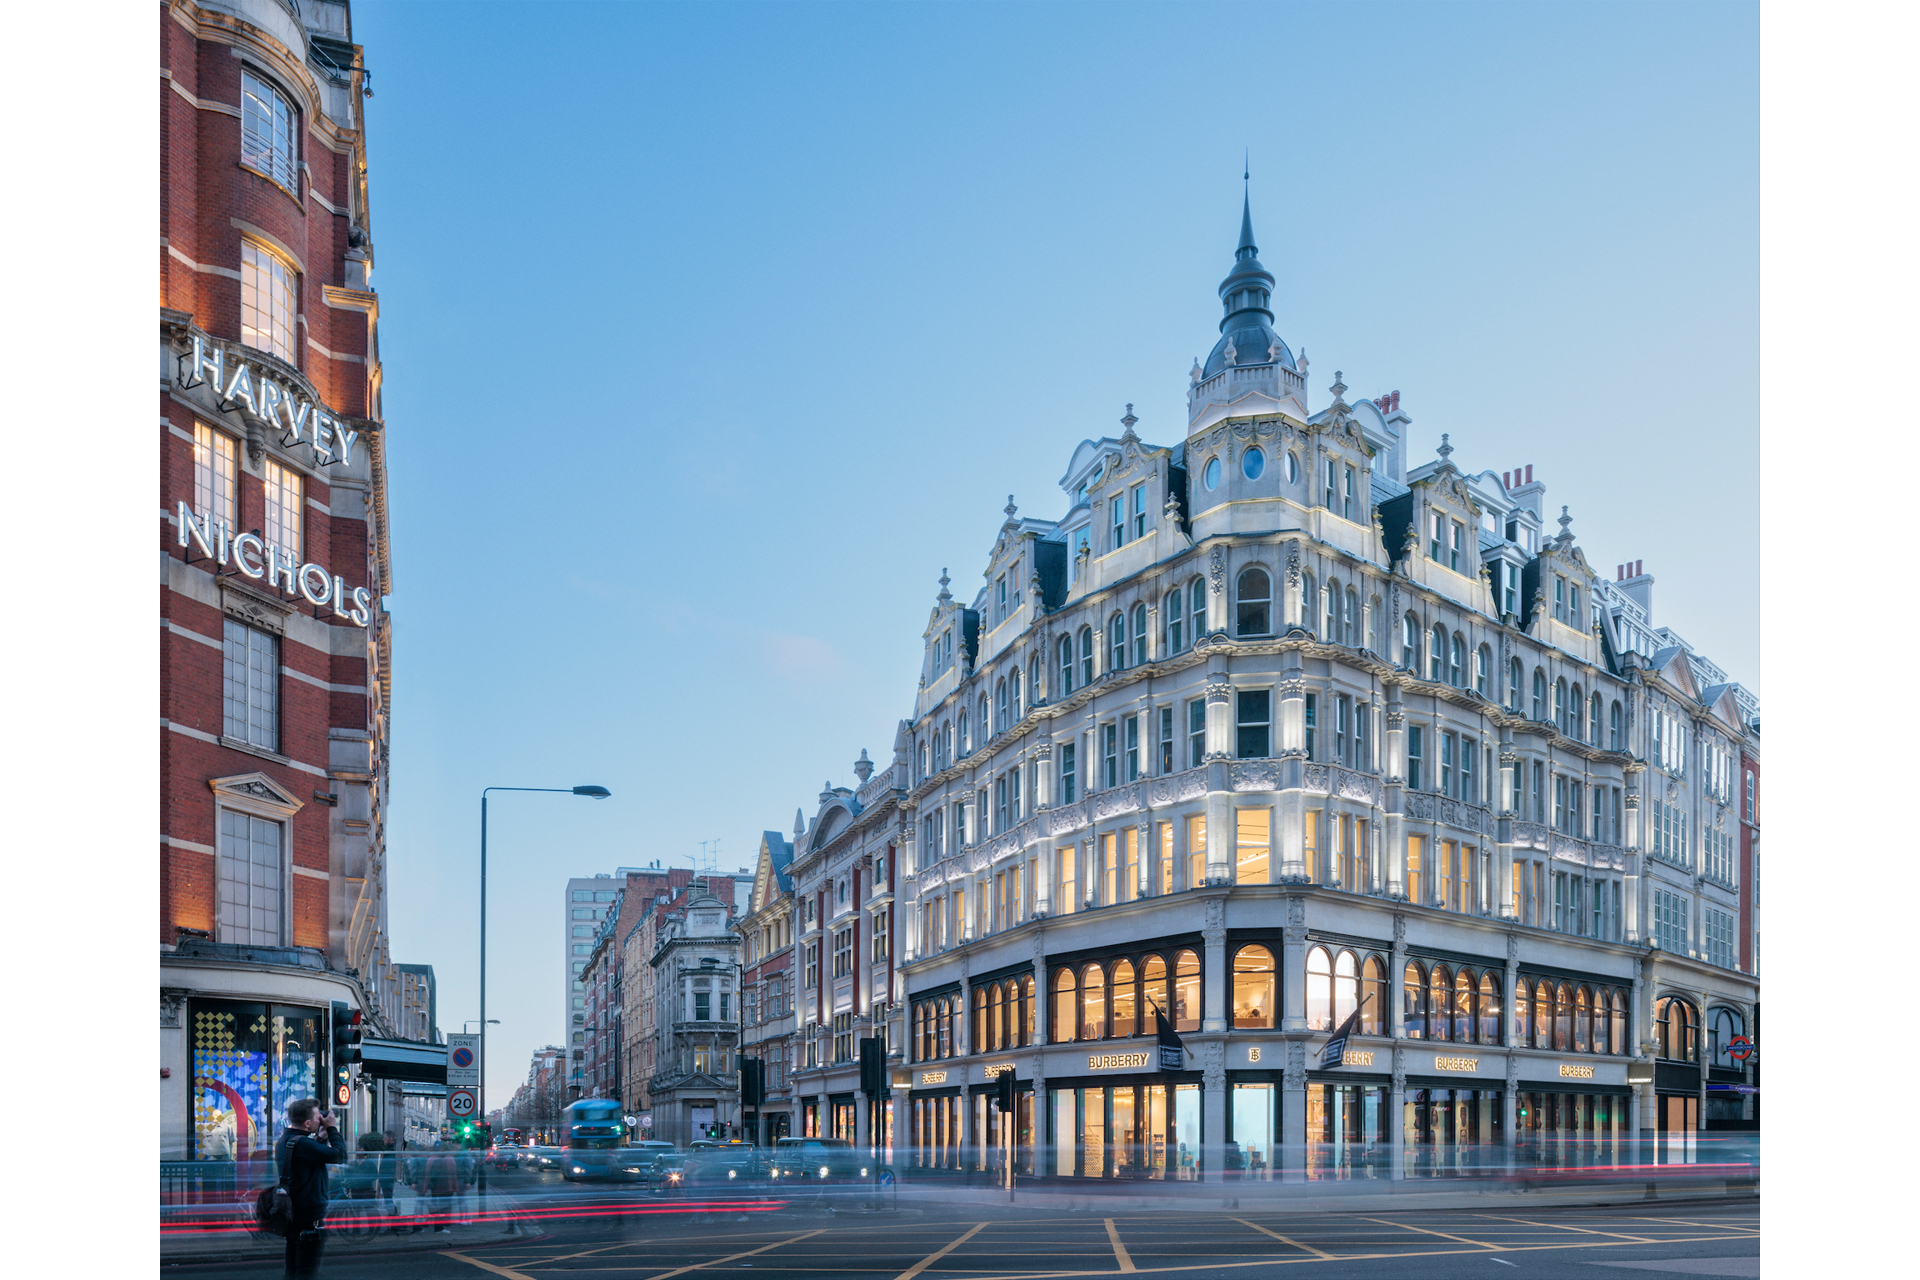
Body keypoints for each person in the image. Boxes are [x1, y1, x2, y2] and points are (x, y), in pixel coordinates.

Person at [275, 1097, 347, 1278]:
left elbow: (308, 1159)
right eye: (317, 1116)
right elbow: (340, 1156)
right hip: (309, 1218)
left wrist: (320, 1138)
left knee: (292, 1270)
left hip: (293, 1215)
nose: (321, 1119)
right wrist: (332, 1128)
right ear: (307, 1123)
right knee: (305, 1272)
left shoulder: (286, 1140)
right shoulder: (304, 1144)